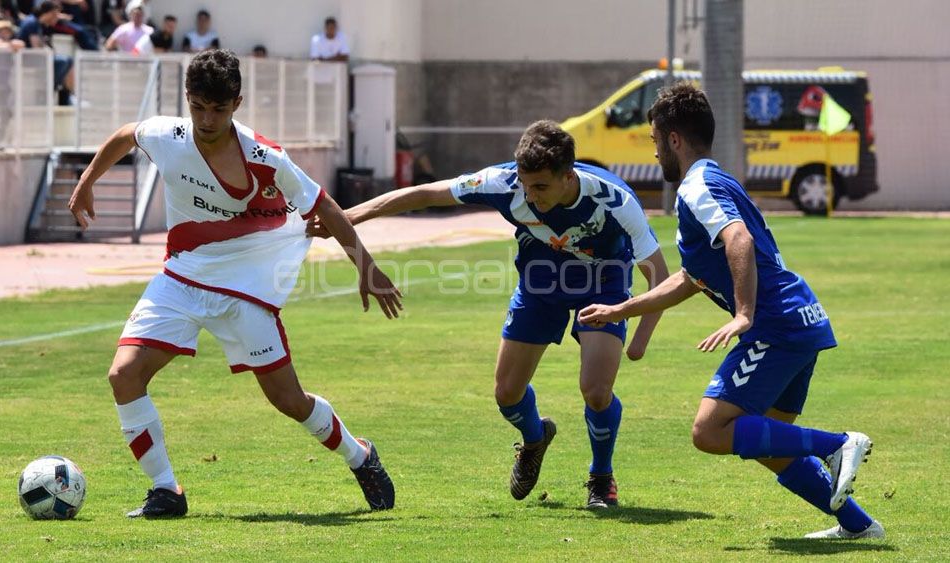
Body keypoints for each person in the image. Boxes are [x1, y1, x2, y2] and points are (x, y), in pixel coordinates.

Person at [67, 49, 401, 518]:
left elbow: (324, 207)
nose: (206, 119)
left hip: (245, 288)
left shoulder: (266, 158)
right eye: (198, 106)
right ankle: (166, 490)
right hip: (181, 277)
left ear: (237, 104)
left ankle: (360, 456)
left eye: (218, 109)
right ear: (187, 98)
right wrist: (86, 181)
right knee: (124, 375)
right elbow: (126, 136)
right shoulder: (169, 134)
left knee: (289, 400)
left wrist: (367, 268)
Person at [578, 82, 884, 539]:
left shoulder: (697, 185)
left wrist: (743, 314)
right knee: (765, 441)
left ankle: (838, 444)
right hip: (800, 321)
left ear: (673, 139)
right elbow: (690, 279)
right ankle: (859, 527)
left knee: (710, 430)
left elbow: (737, 239)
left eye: (655, 140)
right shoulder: (716, 181)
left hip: (774, 325)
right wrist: (622, 308)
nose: (655, 150)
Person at [310, 120, 669, 509]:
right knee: (507, 394)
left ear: (569, 176)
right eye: (526, 185)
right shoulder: (504, 183)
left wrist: (639, 340)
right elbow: (420, 194)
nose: (530, 196)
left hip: (604, 281)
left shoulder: (614, 200)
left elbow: (660, 275)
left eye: (541, 187)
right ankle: (535, 438)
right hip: (541, 280)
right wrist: (342, 219)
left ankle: (601, 477)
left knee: (596, 391)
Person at [16, 1, 75, 105]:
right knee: (63, 61)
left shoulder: (37, 23)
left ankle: (66, 97)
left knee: (68, 60)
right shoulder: (31, 23)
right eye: (56, 14)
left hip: (36, 59)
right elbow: (36, 49)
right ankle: (48, 91)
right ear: (50, 13)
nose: (57, 18)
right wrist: (48, 51)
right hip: (27, 60)